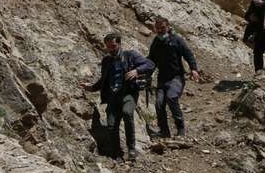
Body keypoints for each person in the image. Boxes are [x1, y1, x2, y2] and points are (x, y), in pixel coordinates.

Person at [80, 33, 155, 161]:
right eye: (108, 47)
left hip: (128, 93)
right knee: (111, 124)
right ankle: (116, 153)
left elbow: (150, 64)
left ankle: (131, 149)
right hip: (112, 97)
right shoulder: (106, 61)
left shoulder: (130, 55)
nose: (111, 49)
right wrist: (91, 88)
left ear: (119, 44)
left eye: (113, 46)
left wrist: (137, 71)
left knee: (127, 113)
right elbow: (103, 80)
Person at [148, 18, 200, 138]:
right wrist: (145, 73)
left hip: (176, 77)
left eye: (163, 28)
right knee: (159, 104)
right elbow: (151, 60)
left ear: (168, 27)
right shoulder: (156, 42)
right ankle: (164, 131)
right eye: (158, 28)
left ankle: (181, 128)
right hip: (162, 78)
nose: (160, 30)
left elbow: (188, 54)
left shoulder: (176, 40)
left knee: (171, 97)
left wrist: (193, 69)